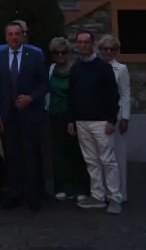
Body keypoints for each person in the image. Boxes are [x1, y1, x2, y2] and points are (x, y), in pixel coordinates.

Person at [0, 22, 47, 211]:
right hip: (8, 116)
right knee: (12, 156)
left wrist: (31, 97)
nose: (14, 37)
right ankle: (15, 193)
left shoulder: (35, 56)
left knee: (30, 156)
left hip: (30, 114)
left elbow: (44, 84)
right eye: (11, 34)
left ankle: (32, 196)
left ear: (23, 36)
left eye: (17, 34)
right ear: (6, 37)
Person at [69, 31, 123, 214]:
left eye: (86, 42)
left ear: (92, 44)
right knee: (91, 161)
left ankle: (115, 198)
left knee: (108, 161)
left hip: (101, 122)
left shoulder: (103, 68)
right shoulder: (76, 68)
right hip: (81, 121)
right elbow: (72, 95)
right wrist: (71, 120)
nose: (83, 45)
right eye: (80, 42)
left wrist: (112, 120)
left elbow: (113, 95)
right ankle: (97, 196)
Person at [46, 37, 89, 202]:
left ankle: (81, 188)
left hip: (73, 116)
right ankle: (62, 187)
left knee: (76, 152)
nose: (60, 56)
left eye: (63, 52)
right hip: (55, 115)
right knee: (58, 153)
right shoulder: (52, 69)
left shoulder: (76, 69)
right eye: (56, 53)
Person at [98, 34, 132, 202]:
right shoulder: (95, 67)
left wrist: (125, 117)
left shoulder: (121, 69)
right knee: (100, 157)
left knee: (117, 156)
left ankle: (119, 193)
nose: (109, 52)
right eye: (106, 49)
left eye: (112, 49)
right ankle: (102, 192)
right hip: (98, 115)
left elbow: (125, 94)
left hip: (116, 116)